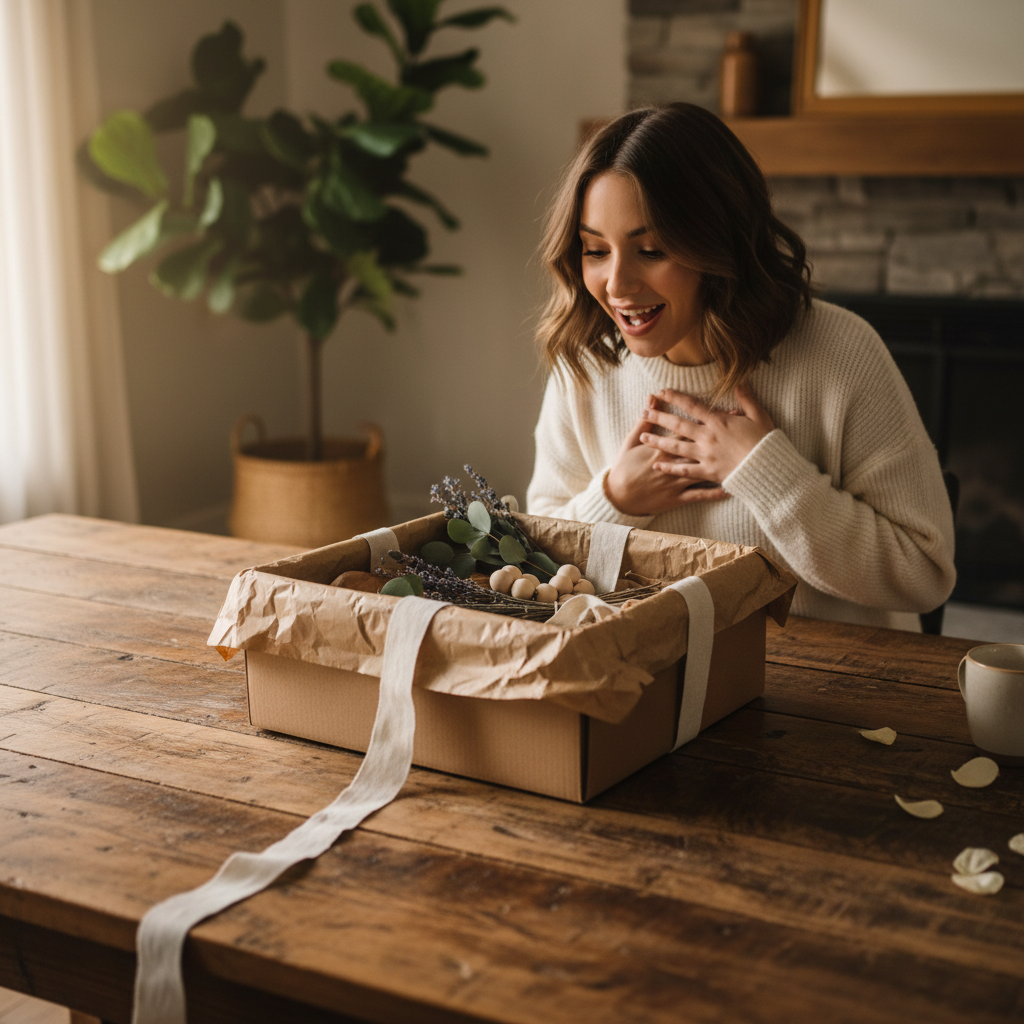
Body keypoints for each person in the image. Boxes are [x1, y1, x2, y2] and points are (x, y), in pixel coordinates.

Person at [526, 103, 955, 629]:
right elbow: (534, 563)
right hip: (660, 681)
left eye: (652, 250)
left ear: (718, 241)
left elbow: (924, 575)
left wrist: (767, 474)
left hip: (838, 685)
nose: (616, 285)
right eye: (595, 250)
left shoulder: (839, 353)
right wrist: (614, 499)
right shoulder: (587, 366)